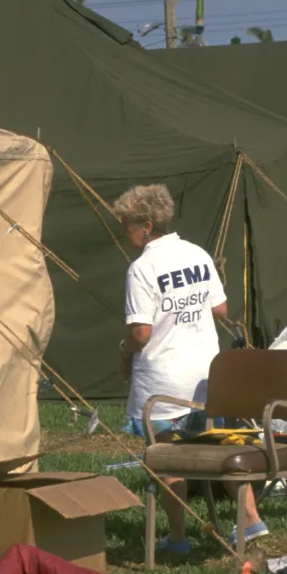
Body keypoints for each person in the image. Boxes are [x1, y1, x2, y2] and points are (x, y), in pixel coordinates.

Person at [114, 183, 266, 554]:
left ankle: (179, 538)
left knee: (168, 459)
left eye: (128, 224)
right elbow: (220, 310)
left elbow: (141, 331)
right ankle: (250, 519)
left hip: (164, 380)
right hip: (206, 376)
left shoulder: (142, 269)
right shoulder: (197, 254)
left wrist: (124, 351)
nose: (124, 231)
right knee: (222, 451)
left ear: (147, 225)